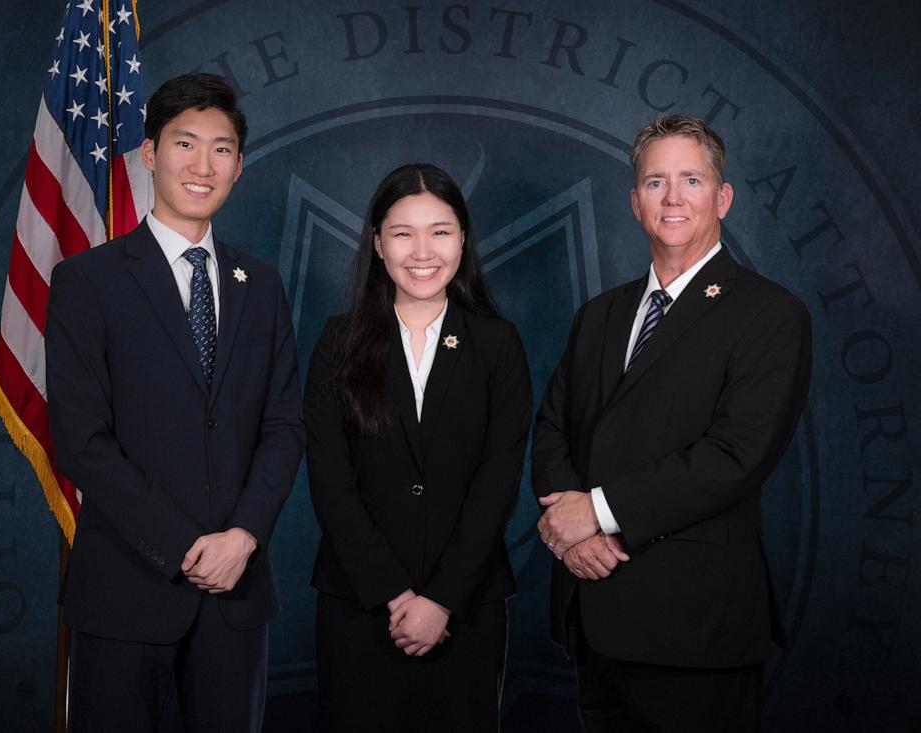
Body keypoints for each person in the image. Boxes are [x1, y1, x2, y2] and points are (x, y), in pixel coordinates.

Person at [532, 113, 812, 732]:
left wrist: (596, 511)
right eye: (656, 183)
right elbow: (552, 426)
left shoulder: (770, 314)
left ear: (723, 196)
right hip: (596, 614)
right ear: (635, 203)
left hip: (695, 629)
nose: (674, 197)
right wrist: (575, 535)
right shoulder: (599, 315)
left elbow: (736, 456)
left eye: (691, 179)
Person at [45, 73, 304, 732]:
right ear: (150, 154)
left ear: (239, 167)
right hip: (125, 588)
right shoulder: (88, 281)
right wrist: (190, 545)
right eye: (184, 143)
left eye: (220, 149)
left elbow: (283, 425)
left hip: (237, 592)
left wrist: (241, 537)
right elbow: (82, 440)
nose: (202, 164)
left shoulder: (262, 284)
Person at [303, 163, 532, 732]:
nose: (422, 250)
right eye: (403, 232)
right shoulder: (339, 339)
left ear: (463, 241)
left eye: (441, 231)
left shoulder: (497, 344)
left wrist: (441, 599)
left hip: (467, 606)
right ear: (378, 243)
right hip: (359, 604)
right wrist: (394, 593)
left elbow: (497, 482)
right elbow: (330, 479)